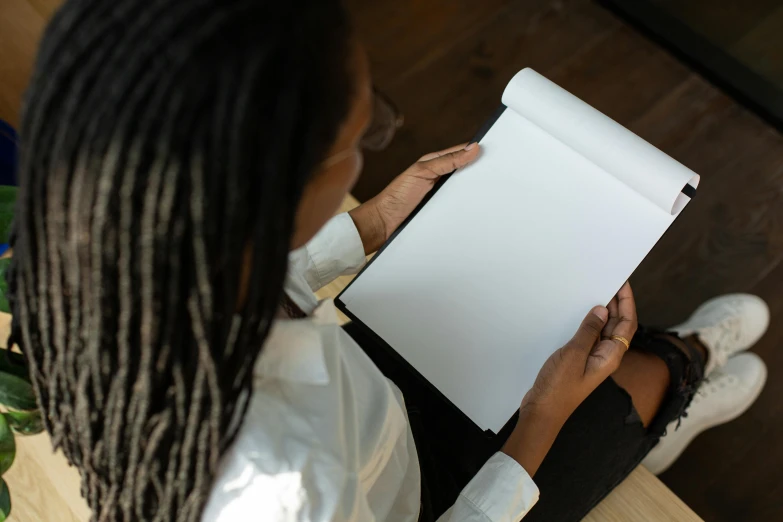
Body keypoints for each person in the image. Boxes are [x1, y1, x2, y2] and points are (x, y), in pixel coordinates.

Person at [8, 0, 769, 521]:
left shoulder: (95, 247)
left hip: (367, 406)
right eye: (356, 144)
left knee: (575, 339)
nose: (362, 162)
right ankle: (675, 399)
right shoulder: (292, 486)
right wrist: (539, 422)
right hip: (424, 496)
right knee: (650, 368)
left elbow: (263, 284)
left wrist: (369, 222)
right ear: (267, 201)